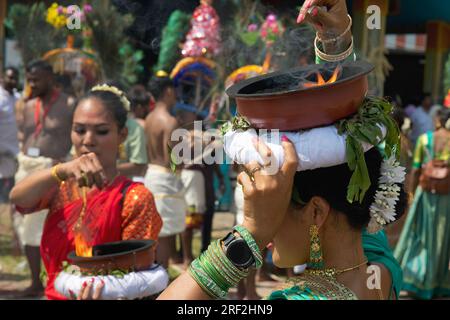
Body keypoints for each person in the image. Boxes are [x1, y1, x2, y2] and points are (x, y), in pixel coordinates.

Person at [157, 0, 407, 300]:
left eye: (271, 202)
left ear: (316, 211)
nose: (260, 210)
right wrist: (335, 47)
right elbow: (347, 191)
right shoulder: (380, 269)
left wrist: (252, 231)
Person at [9, 84, 163, 300]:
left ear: (122, 135)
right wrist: (62, 170)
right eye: (79, 130)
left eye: (101, 131)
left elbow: (136, 277)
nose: (88, 140)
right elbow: (18, 197)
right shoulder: (61, 186)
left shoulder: (133, 197)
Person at [13, 60, 74, 297]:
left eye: (36, 79)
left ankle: (54, 279)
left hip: (52, 169)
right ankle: (34, 281)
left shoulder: (68, 104)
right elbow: (24, 133)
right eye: (29, 79)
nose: (32, 83)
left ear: (50, 77)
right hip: (27, 167)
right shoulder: (26, 105)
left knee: (54, 226)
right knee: (25, 228)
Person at [394, 108, 450, 299]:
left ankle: (414, 279)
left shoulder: (425, 140)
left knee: (418, 235)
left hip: (424, 195)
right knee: (441, 238)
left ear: (438, 122)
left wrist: (411, 192)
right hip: (446, 198)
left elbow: (416, 169)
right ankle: (438, 283)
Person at [144, 75, 187, 269]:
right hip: (165, 178)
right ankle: (161, 279)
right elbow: (174, 161)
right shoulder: (170, 121)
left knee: (159, 231)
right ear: (168, 91)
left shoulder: (149, 118)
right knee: (166, 232)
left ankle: (159, 276)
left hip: (151, 175)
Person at [0, 67, 21, 255]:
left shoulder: (18, 98)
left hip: (16, 158)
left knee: (14, 202)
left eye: (15, 78)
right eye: (10, 78)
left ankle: (16, 242)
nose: (13, 81)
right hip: (1, 157)